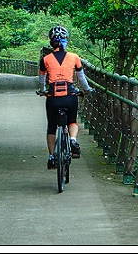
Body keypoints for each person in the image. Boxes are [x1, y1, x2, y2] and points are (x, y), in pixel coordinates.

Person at [38, 25, 93, 169]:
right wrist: (86, 90)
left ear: (51, 42)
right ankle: (73, 140)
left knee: (51, 127)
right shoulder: (74, 57)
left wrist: (43, 90)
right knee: (72, 121)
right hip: (70, 96)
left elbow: (42, 79)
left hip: (53, 98)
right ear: (66, 40)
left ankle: (51, 157)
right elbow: (81, 78)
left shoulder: (45, 59)